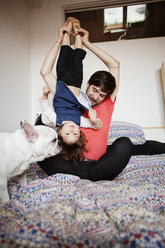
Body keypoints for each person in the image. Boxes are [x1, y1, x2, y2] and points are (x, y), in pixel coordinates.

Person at [37, 19, 165, 181]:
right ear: (88, 84)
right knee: (37, 143)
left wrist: (87, 43)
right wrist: (59, 40)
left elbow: (115, 66)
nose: (96, 97)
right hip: (70, 164)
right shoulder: (69, 99)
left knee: (125, 143)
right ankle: (82, 177)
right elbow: (46, 72)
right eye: (95, 90)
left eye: (102, 95)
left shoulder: (106, 104)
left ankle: (88, 177)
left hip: (100, 165)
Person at [39, 18, 102, 163]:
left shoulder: (56, 120)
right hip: (76, 82)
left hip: (62, 82)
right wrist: (94, 120)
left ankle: (67, 32)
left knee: (65, 53)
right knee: (78, 57)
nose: (73, 129)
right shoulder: (79, 121)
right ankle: (78, 32)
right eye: (75, 133)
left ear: (59, 132)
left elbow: (46, 108)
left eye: (68, 133)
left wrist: (44, 95)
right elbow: (95, 125)